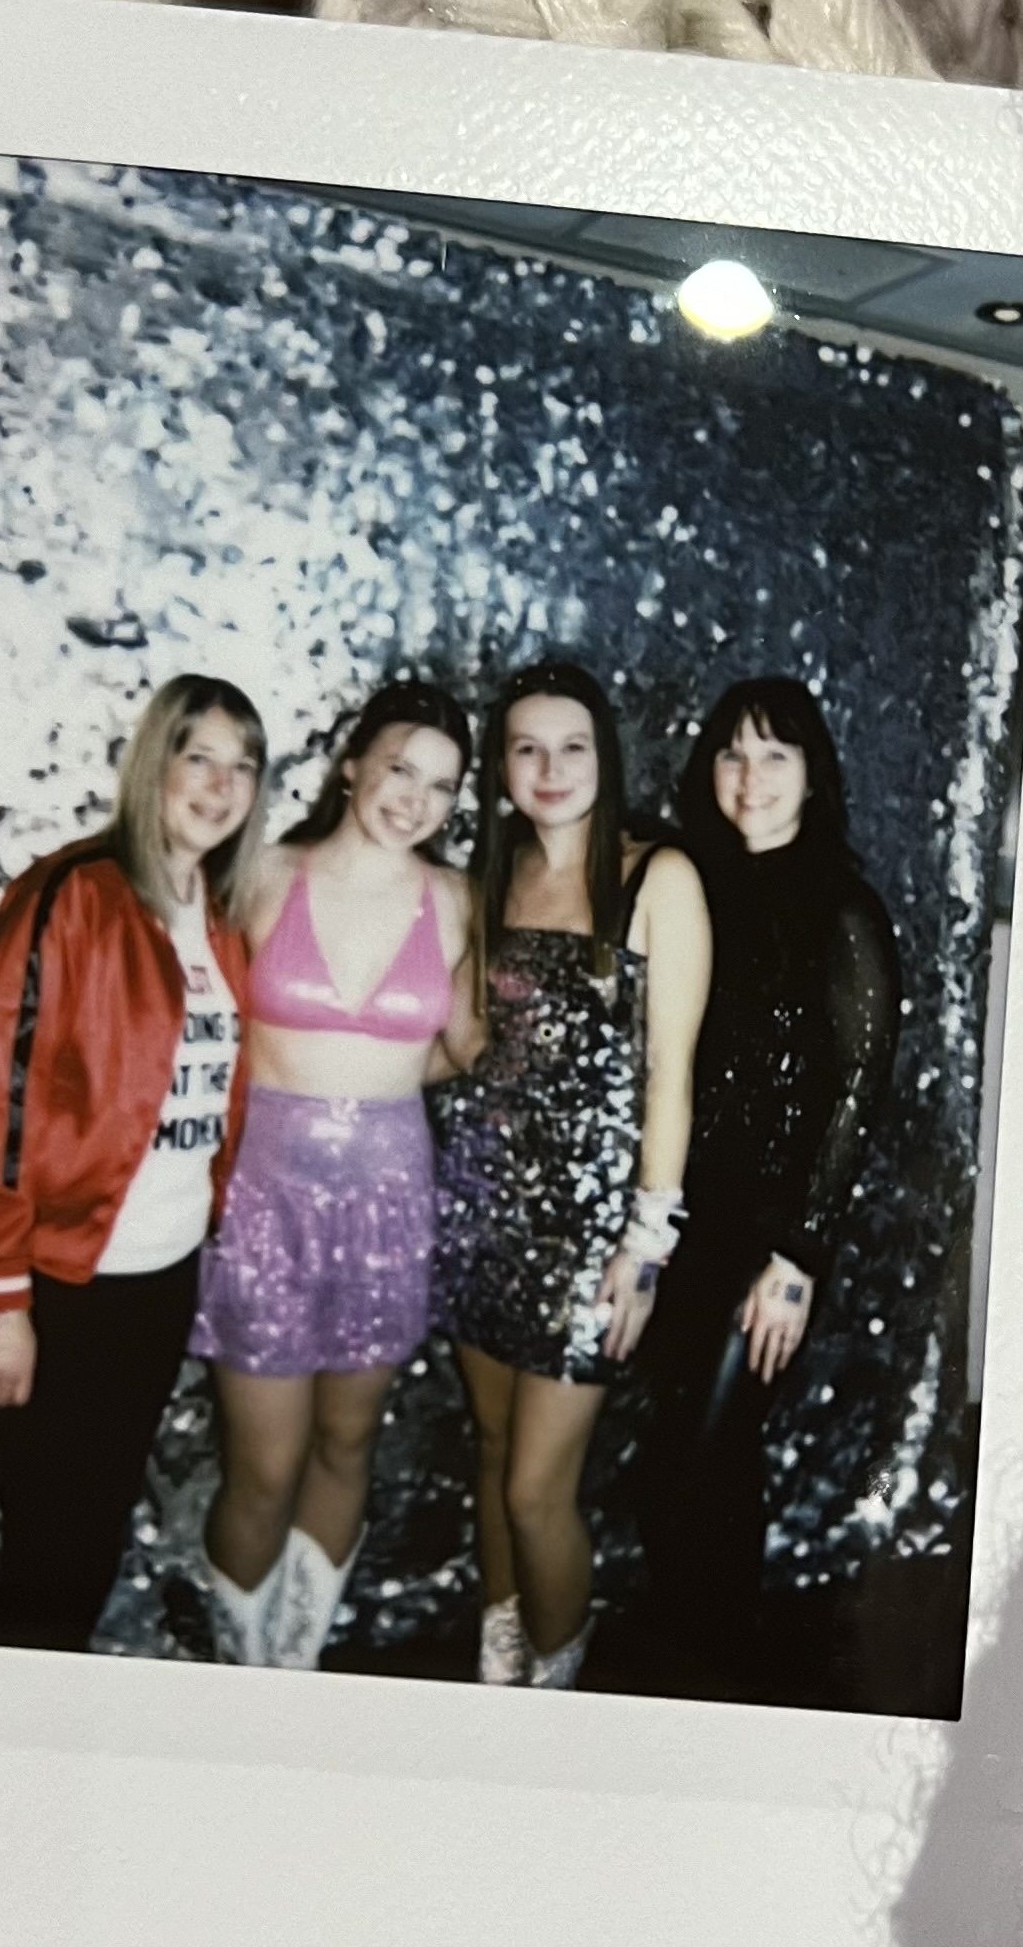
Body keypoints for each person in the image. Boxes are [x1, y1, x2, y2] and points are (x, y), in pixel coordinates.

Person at [0, 674, 265, 1649]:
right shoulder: (74, 894)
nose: (221, 785)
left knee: (84, 1547)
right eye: (199, 757)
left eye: (243, 766)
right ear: (156, 764)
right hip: (47, 1283)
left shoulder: (223, 917)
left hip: (156, 1283)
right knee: (54, 1564)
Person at [429, 663, 712, 1688]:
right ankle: (499, 1664)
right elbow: (462, 1047)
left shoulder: (656, 877)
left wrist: (646, 1245)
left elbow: (670, 1075)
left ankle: (553, 1697)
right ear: (501, 766)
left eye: (572, 746)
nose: (550, 768)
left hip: (589, 1236)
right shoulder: (487, 877)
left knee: (536, 1493)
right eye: (527, 748)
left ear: (605, 756)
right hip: (477, 1211)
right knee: (491, 1453)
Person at [193, 678, 475, 1670]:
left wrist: (376, 1088)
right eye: (400, 769)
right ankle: (241, 1678)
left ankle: (295, 1667)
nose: (415, 799)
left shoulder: (454, 900)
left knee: (347, 1446)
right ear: (353, 764)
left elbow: (468, 1047)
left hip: (389, 1203)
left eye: (441, 786)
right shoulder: (265, 873)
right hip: (263, 1200)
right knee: (263, 1469)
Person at [633, 678, 899, 1695]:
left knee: (700, 1453)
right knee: (695, 1457)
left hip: (771, 1237)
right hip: (683, 1216)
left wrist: (798, 1258)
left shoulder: (842, 908)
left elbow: (855, 1094)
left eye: (774, 755)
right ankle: (699, 1664)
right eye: (732, 754)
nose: (750, 777)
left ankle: (711, 1668)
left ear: (811, 775)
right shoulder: (689, 883)